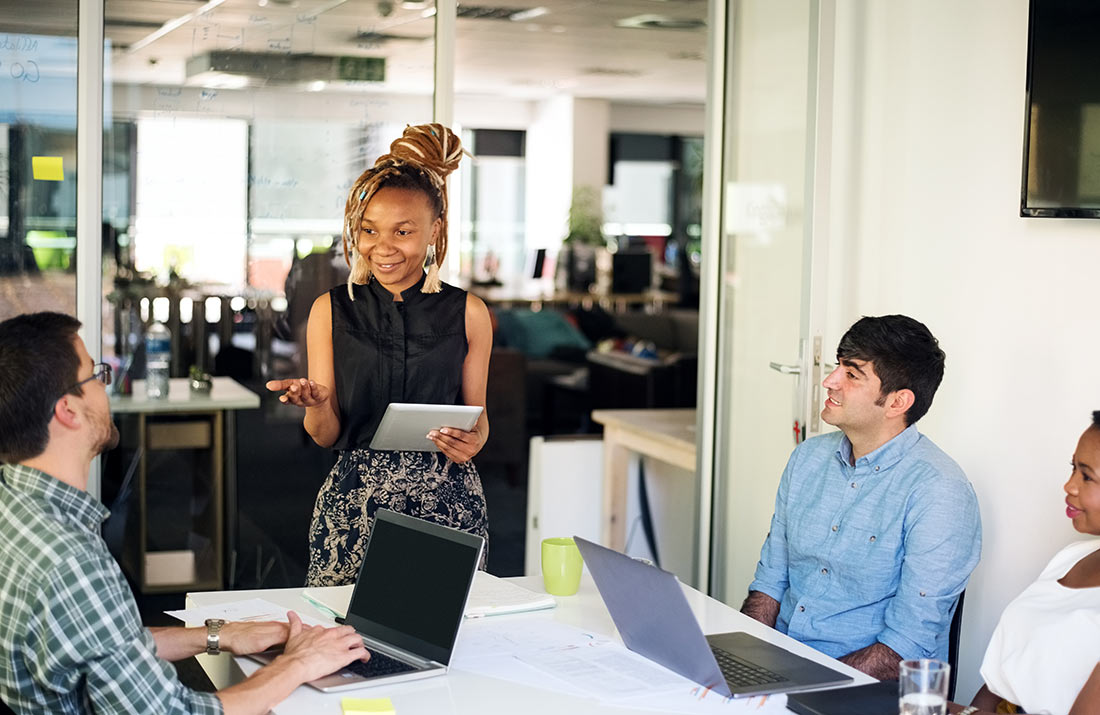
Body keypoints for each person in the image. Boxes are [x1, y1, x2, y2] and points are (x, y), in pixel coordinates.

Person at [0, 312, 370, 714]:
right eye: (97, 376)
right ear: (68, 410)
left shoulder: (18, 512)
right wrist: (300, 662)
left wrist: (217, 635)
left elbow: (103, 642)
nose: (107, 387)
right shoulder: (71, 561)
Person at [265, 123, 493, 587]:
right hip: (355, 504)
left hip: (446, 501)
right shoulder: (330, 310)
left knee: (446, 646)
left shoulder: (469, 313)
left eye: (403, 231)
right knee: (339, 644)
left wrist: (475, 441)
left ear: (435, 231)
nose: (382, 248)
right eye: (368, 230)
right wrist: (317, 403)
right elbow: (326, 436)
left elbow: (479, 418)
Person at [741, 314, 981, 680]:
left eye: (852, 374)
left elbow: (906, 646)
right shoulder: (807, 459)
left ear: (897, 402)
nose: (829, 381)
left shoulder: (939, 492)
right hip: (780, 670)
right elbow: (768, 586)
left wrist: (807, 684)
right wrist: (744, 659)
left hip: (864, 688)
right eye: (838, 366)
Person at [952, 412, 1100, 715]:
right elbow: (1005, 680)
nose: (1069, 486)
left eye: (1087, 476)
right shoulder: (1072, 557)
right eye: (1073, 468)